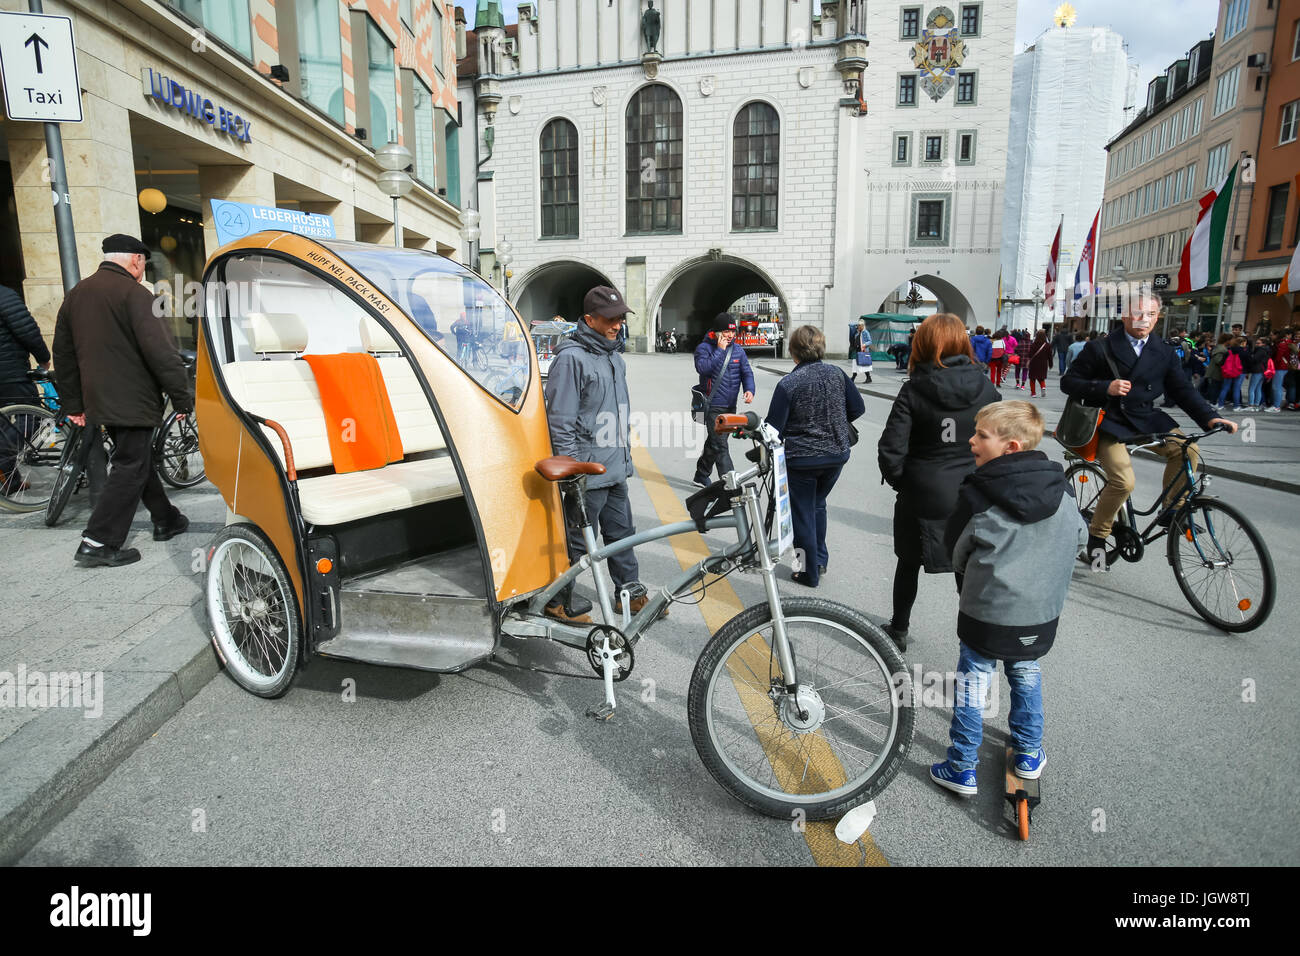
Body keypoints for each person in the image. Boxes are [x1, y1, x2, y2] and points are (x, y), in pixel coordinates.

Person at [929, 401, 1088, 796]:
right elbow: (1080, 539)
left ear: (1011, 447)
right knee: (1025, 672)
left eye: (982, 435)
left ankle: (962, 766)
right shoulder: (1061, 489)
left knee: (973, 682)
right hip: (1039, 614)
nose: (971, 441)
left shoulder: (978, 492)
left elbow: (957, 549)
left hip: (986, 611)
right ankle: (1030, 753)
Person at [1061, 289, 1236, 567]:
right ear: (1125, 315)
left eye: (1151, 314)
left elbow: (1182, 390)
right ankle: (1097, 535)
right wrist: (1105, 387)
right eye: (1138, 313)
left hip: (1146, 418)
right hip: (1110, 421)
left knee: (1188, 451)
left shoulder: (1163, 351)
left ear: (1158, 317)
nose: (1144, 319)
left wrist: (1211, 418)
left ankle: (1172, 511)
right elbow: (1068, 383)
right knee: (1123, 482)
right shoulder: (1100, 347)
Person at [52, 234, 192, 567]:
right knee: (130, 465)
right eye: (143, 262)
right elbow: (161, 352)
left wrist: (74, 405)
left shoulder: (77, 295)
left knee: (136, 459)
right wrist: (182, 398)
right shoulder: (136, 295)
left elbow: (63, 354)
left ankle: (166, 519)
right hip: (134, 399)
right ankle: (98, 540)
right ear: (136, 260)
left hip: (101, 400)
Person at [877, 313, 998, 649]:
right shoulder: (986, 388)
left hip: (923, 490)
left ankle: (899, 629)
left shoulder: (914, 389)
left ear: (924, 343)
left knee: (908, 563)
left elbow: (891, 449)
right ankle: (975, 636)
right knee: (968, 568)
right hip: (971, 491)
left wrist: (905, 482)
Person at [544, 285, 657, 622]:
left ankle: (629, 594)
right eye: (610, 319)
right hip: (586, 470)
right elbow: (560, 420)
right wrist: (570, 471)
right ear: (589, 319)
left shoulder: (614, 357)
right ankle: (557, 600)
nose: (617, 324)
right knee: (579, 542)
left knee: (622, 534)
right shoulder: (571, 358)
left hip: (615, 467)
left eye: (620, 318)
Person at [766, 325, 864, 588]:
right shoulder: (837, 374)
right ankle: (819, 560)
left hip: (802, 459)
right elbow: (858, 408)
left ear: (793, 350)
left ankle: (807, 571)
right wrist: (832, 421)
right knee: (818, 504)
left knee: (802, 514)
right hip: (836, 454)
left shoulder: (789, 383)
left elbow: (774, 427)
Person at [1, 284, 53, 495]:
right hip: (8, 372)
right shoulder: (4, 294)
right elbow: (26, 329)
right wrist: (43, 357)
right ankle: (3, 460)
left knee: (4, 424)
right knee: (33, 418)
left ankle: (9, 480)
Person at [692, 313, 755, 486]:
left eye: (732, 332)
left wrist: (749, 389)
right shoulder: (704, 348)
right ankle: (731, 485)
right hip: (712, 406)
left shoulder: (738, 350)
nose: (730, 335)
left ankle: (701, 474)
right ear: (717, 332)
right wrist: (719, 350)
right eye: (727, 331)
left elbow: (746, 372)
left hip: (730, 406)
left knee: (716, 442)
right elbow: (703, 368)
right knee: (720, 446)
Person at [1026, 328, 1052, 397]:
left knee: (1032, 378)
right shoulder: (1047, 345)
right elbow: (1050, 356)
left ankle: (1033, 393)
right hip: (1043, 364)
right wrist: (1050, 364)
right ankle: (1043, 387)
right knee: (1041, 378)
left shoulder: (1033, 345)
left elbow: (1030, 354)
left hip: (1034, 363)